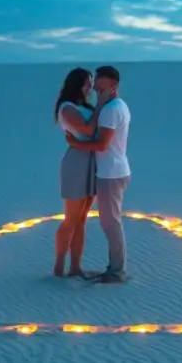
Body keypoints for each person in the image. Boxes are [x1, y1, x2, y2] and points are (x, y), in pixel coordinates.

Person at [65, 65, 131, 284]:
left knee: (111, 223)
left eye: (102, 87)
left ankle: (117, 271)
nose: (97, 92)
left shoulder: (111, 109)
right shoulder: (118, 106)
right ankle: (115, 268)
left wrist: (76, 144)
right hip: (112, 170)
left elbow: (102, 144)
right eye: (96, 88)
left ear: (113, 86)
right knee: (109, 222)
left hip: (111, 174)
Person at [54, 67, 114, 277]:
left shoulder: (85, 106)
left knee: (82, 219)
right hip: (76, 163)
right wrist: (99, 105)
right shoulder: (67, 107)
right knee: (71, 218)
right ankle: (59, 266)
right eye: (88, 83)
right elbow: (87, 130)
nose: (92, 87)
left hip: (92, 159)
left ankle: (75, 267)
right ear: (77, 84)